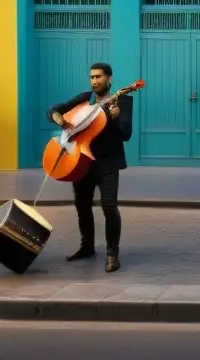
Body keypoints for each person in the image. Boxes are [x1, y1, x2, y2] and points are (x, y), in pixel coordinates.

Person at [48, 62, 133, 273]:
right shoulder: (83, 99)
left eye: (99, 77)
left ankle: (113, 253)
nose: (95, 81)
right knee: (82, 206)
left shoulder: (121, 101)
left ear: (109, 78)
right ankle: (87, 247)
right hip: (81, 161)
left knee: (109, 206)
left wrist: (113, 119)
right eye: (92, 77)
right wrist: (62, 121)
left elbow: (126, 135)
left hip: (108, 163)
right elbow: (53, 110)